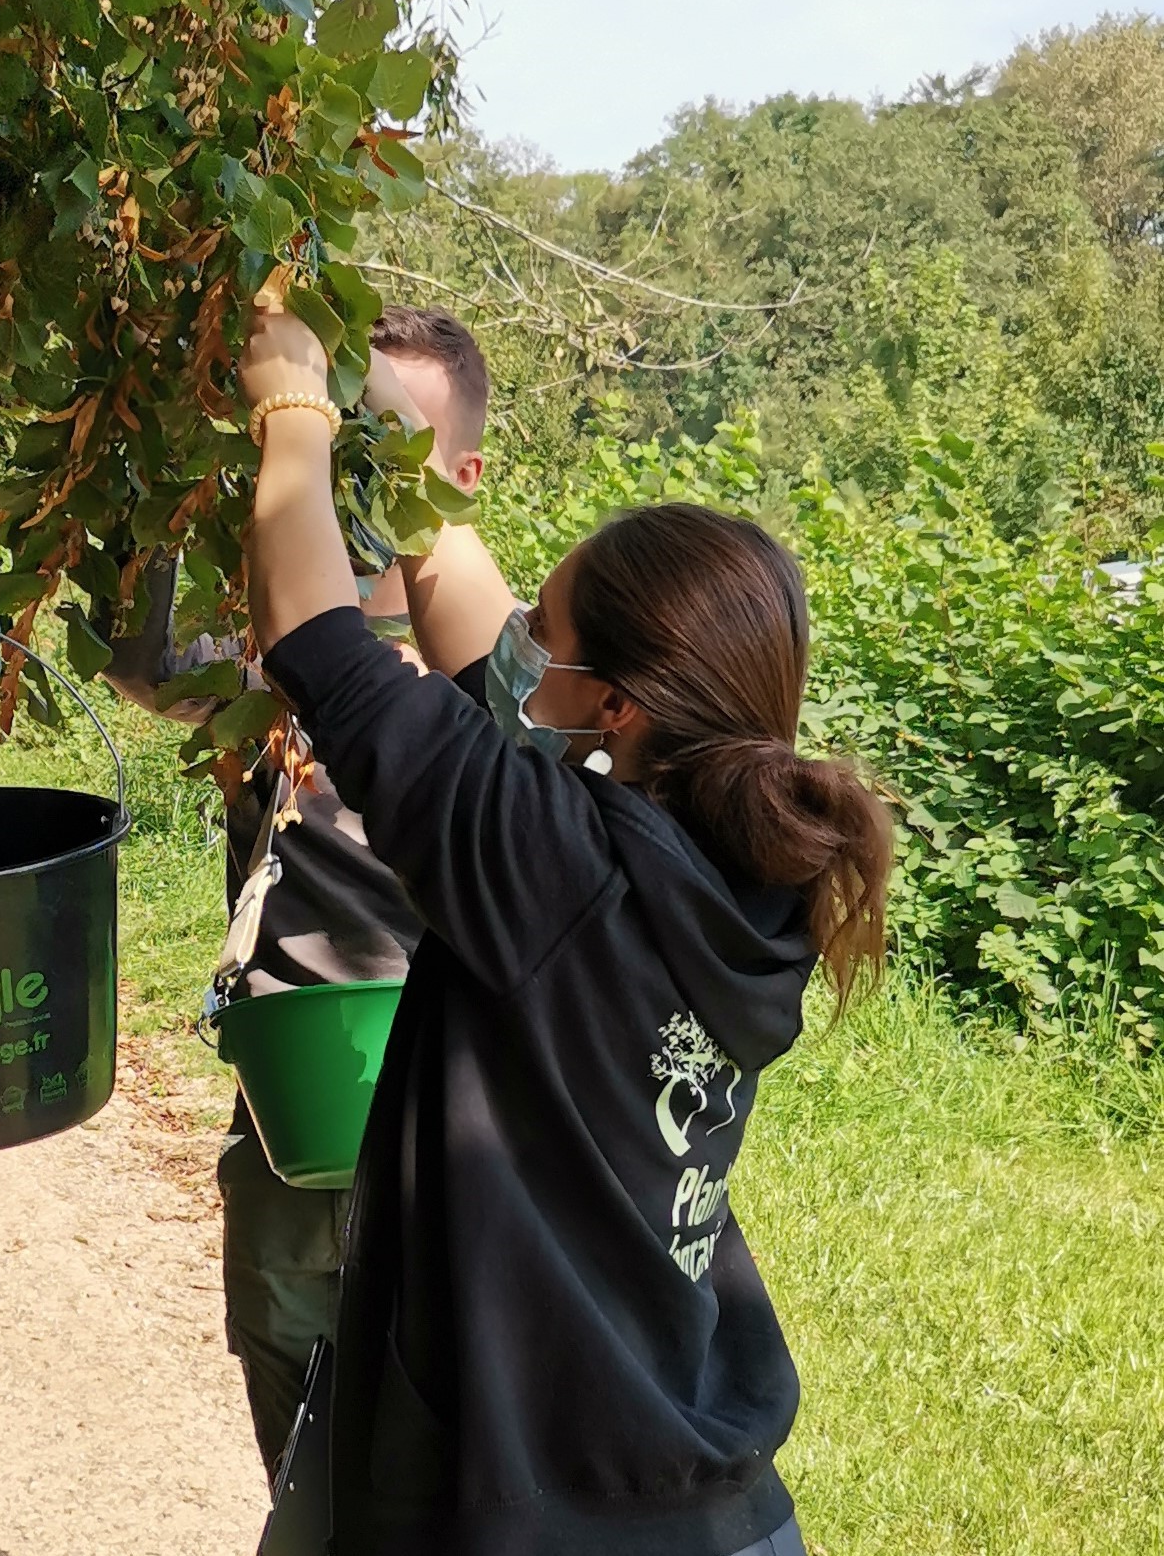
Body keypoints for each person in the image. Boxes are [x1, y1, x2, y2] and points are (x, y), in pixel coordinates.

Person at [231, 295, 891, 1556]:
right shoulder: (747, 868)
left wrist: (293, 414)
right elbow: (475, 629)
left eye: (550, 634)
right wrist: (395, 452)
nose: (521, 649)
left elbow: (321, 643)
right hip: (703, 1497)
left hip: (533, 1512)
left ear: (622, 707)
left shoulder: (554, 862)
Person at [100, 306, 490, 1472]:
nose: (358, 472)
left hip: (442, 1144)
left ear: (461, 478)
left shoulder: (494, 676)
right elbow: (140, 663)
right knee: (302, 1464)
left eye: (388, 441)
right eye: (344, 437)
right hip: (284, 1131)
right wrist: (188, 467)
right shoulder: (267, 655)